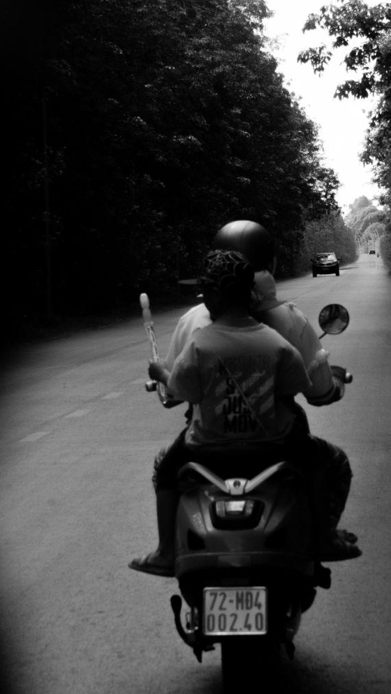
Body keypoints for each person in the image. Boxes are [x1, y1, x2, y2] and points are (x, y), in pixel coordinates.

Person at [134, 221, 360, 575]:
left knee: (166, 468)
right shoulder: (280, 335)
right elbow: (306, 385)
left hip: (205, 446)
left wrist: (161, 373)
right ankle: (324, 536)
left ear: (211, 294)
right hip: (277, 444)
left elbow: (178, 392)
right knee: (322, 465)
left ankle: (166, 550)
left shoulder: (196, 333)